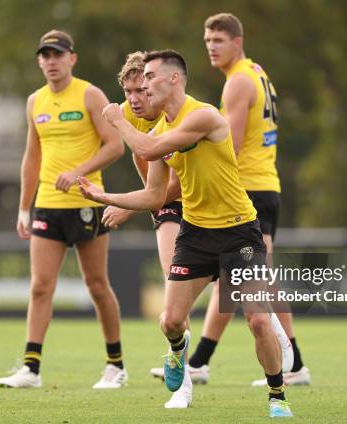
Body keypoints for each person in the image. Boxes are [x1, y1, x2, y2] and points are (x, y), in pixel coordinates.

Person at [79, 49, 293, 417]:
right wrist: (103, 196)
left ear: (174, 79)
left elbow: (145, 146)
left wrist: (118, 121)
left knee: (257, 320)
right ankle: (179, 351)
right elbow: (155, 195)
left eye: (150, 77)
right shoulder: (161, 129)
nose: (143, 85)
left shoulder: (204, 116)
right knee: (170, 321)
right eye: (140, 79)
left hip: (239, 232)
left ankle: (277, 397)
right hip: (195, 235)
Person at [0, 29, 127, 390]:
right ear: (39, 60)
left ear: (72, 58)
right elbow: (32, 157)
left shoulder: (89, 94)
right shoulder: (34, 101)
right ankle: (31, 368)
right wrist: (24, 208)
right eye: (45, 55)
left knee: (97, 285)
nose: (51, 61)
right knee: (40, 287)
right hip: (48, 208)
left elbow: (116, 145)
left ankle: (116, 365)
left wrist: (79, 172)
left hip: (87, 203)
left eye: (58, 54)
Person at [193, 12, 310, 387]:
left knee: (253, 281)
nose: (211, 47)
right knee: (242, 279)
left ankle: (293, 366)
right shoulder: (255, 71)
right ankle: (200, 361)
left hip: (249, 189)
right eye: (208, 40)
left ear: (237, 42)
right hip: (263, 186)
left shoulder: (238, 82)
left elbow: (233, 146)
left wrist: (209, 182)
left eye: (219, 41)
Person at [102, 51, 191, 409]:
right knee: (175, 300)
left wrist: (127, 206)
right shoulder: (129, 116)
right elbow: (156, 188)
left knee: (247, 294)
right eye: (129, 92)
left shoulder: (183, 116)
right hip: (169, 206)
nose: (136, 99)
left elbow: (184, 181)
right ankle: (183, 383)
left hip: (211, 207)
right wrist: (143, 204)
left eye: (143, 89)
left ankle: (280, 350)